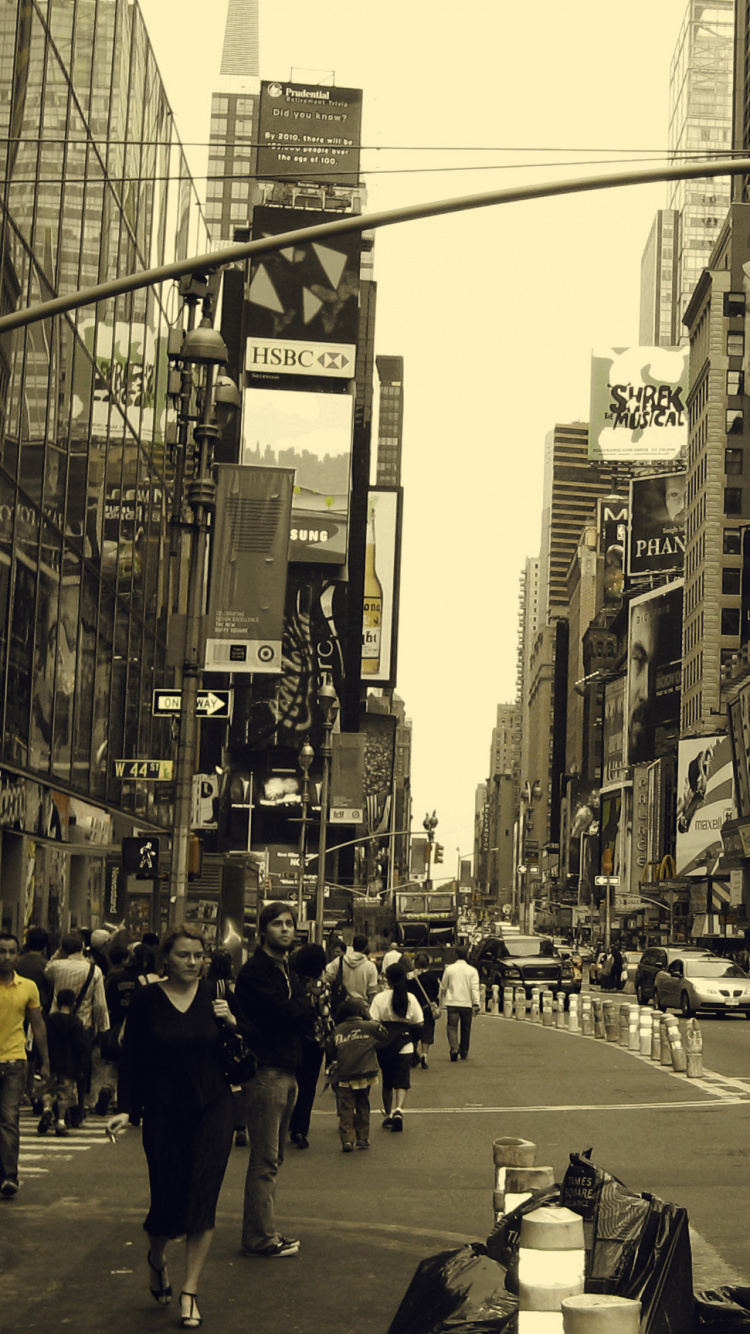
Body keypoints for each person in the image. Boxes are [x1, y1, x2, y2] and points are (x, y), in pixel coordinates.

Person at [107, 927, 238, 1329]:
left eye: (199, 955)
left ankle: (190, 1291)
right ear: (167, 959)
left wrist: (232, 1022)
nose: (193, 962)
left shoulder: (216, 997)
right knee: (166, 1203)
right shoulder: (147, 999)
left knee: (203, 1196)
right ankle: (156, 1258)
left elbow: (242, 1047)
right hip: (164, 1112)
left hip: (213, 1107)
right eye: (184, 955)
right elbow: (132, 1058)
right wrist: (126, 1109)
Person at [234, 902, 309, 1258]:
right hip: (266, 1072)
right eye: (278, 924)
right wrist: (306, 1003)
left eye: (290, 924)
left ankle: (265, 1230)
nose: (285, 929)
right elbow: (281, 1014)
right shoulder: (256, 972)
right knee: (264, 1159)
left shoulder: (285, 968)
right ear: (262, 930)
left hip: (287, 1070)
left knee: (273, 1160)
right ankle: (259, 1237)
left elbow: (296, 1014)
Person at [0, 932, 50, 1197]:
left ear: (18, 955)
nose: (6, 957)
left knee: (9, 1119)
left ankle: (9, 1176)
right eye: (2, 951)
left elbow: (37, 1024)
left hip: (15, 1061)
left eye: (11, 952)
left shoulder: (28, 986)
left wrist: (45, 1061)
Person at [45, 930, 109, 1123]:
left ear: (63, 948)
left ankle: (55, 1108)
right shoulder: (94, 970)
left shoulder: (56, 966)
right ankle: (77, 1111)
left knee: (57, 1065)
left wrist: (59, 953)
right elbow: (99, 1004)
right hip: (83, 1024)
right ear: (83, 947)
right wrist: (101, 1027)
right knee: (80, 1069)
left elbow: (46, 970)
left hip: (56, 1022)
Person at [369, 962, 423, 1132]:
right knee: (402, 1080)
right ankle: (399, 1109)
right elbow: (420, 1022)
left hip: (385, 1043)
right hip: (404, 1043)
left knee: (387, 1080)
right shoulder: (410, 998)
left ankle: (387, 1115)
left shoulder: (379, 998)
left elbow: (372, 1021)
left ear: (387, 978)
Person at [289, 943, 333, 1150]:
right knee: (308, 1087)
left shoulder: (291, 983)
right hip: (314, 1041)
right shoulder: (321, 987)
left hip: (291, 1037)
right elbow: (326, 1016)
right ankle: (300, 1129)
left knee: (290, 1082)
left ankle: (288, 1121)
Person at [328, 998, 387, 1151]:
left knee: (346, 1106)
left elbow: (331, 1049)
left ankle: (347, 1139)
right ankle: (363, 1137)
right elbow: (384, 1038)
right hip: (365, 1071)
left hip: (345, 1072)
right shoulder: (370, 1026)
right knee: (363, 1103)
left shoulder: (338, 1029)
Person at [205, 948, 248, 1149]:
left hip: (212, 1041)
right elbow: (240, 1013)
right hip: (228, 1040)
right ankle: (240, 1126)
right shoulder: (228, 986)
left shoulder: (211, 987)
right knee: (235, 1085)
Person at [38, 987, 87, 1137]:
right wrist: (81, 1067)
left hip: (51, 1060)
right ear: (73, 1003)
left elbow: (42, 1038)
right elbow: (80, 1046)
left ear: (57, 1002)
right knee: (64, 1093)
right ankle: (60, 1121)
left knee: (48, 1090)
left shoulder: (49, 1019)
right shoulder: (76, 1022)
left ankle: (47, 1109)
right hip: (69, 1062)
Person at [439, 946, 481, 1062]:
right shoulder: (472, 971)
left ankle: (454, 1048)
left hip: (452, 1002)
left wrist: (440, 997)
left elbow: (443, 986)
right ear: (467, 956)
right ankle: (464, 1051)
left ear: (456, 955)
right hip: (467, 1003)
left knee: (452, 1026)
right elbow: (474, 989)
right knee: (466, 1028)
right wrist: (476, 1003)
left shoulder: (449, 969)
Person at [324, 934, 378, 1014]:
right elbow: (372, 992)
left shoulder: (339, 961)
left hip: (342, 1007)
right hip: (362, 1007)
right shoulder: (371, 967)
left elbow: (327, 978)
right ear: (366, 947)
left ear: (352, 945)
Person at [407, 953, 440, 1068]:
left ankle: (413, 1054)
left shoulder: (409, 977)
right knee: (427, 1032)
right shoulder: (431, 976)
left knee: (414, 1032)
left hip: (413, 1009)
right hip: (427, 1008)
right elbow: (436, 991)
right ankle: (424, 1055)